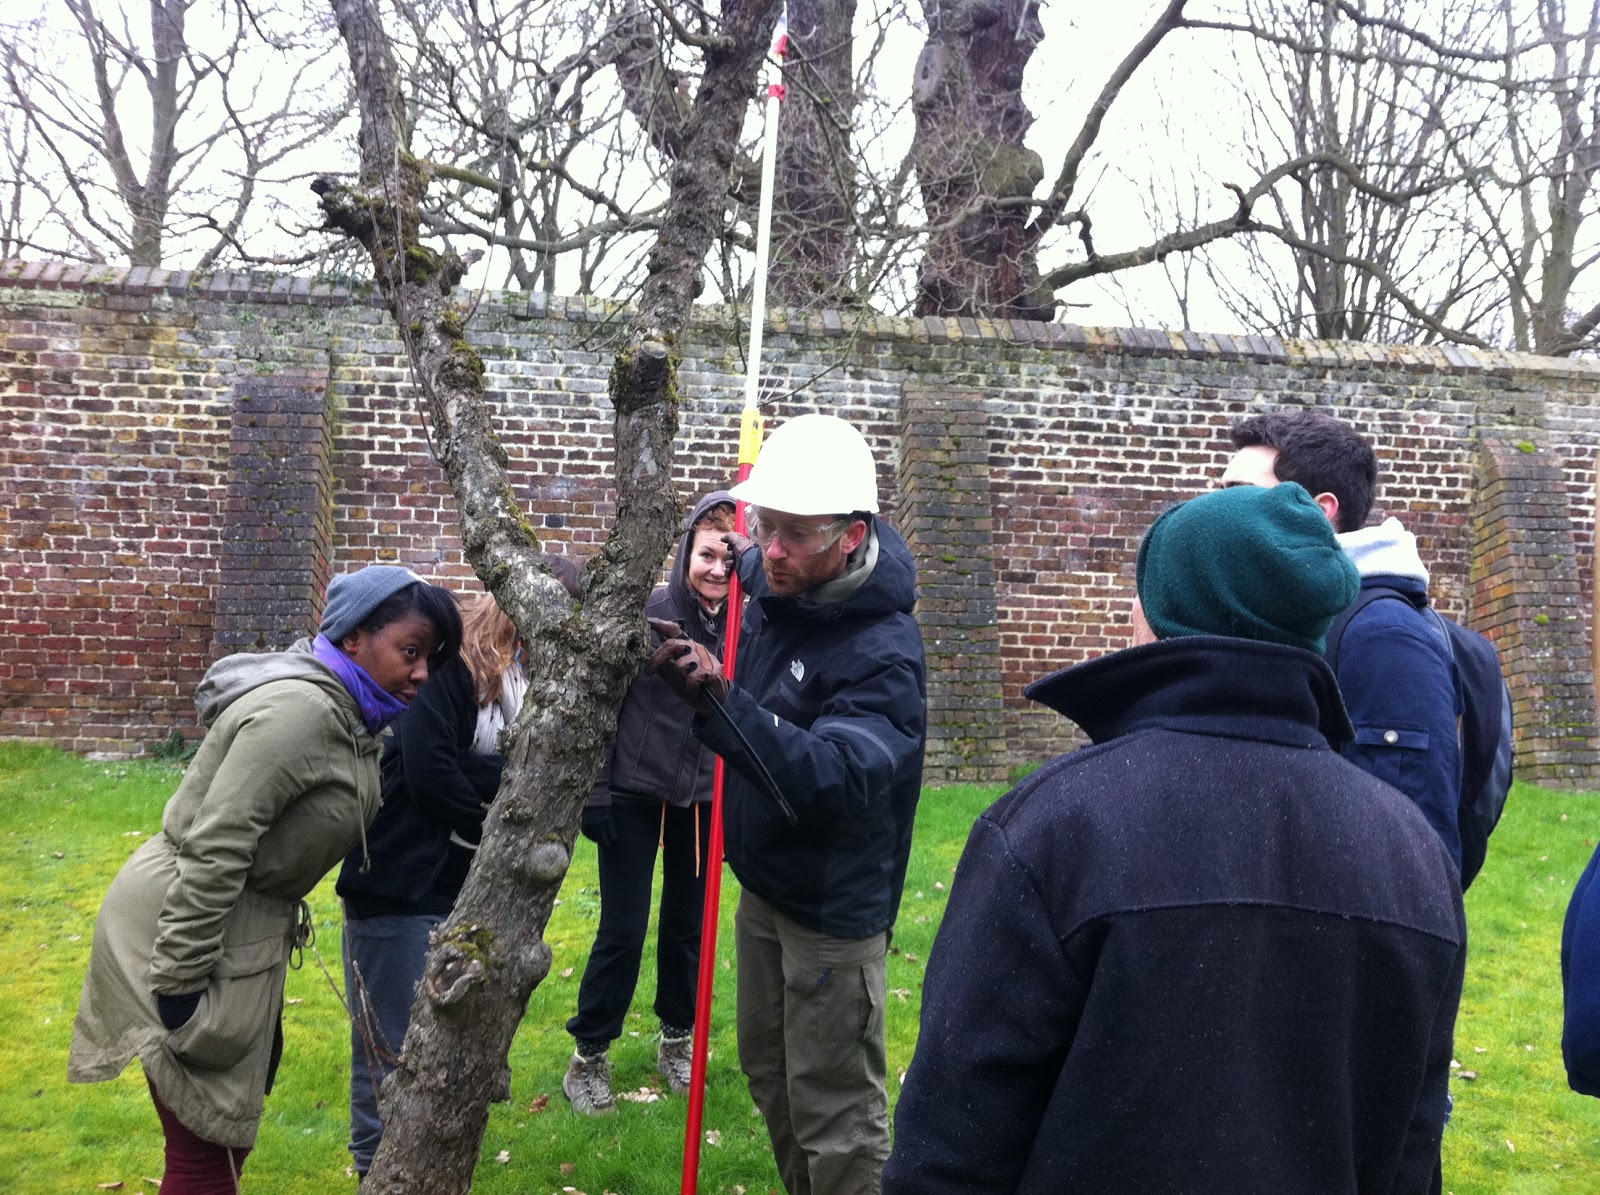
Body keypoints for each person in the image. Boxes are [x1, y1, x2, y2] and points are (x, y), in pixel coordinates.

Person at [883, 483, 1466, 1193]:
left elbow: (950, 1145)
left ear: (1157, 615)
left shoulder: (1055, 828)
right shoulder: (1416, 852)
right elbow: (1411, 1152)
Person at [68, 565, 462, 1195]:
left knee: (221, 1143)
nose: (421, 674)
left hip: (240, 930)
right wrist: (177, 984)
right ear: (354, 637)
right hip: (185, 928)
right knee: (205, 1155)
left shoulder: (350, 714)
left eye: (429, 660)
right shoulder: (300, 713)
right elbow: (215, 848)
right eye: (410, 652)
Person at [649, 413, 927, 1195]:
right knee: (770, 1076)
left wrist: (721, 702)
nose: (768, 551)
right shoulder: (778, 571)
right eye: (763, 527)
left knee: (835, 1117)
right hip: (765, 889)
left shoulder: (884, 653)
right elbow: (744, 561)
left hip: (831, 915)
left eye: (791, 534)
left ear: (851, 535)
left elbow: (839, 775)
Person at [1222, 411, 1464, 872]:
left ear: (1320, 510)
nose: (1213, 509)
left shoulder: (1384, 635)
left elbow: (1409, 853)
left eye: (1237, 495)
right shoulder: (1283, 615)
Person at [562, 492, 735, 1114]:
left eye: (730, 556)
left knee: (688, 927)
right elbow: (602, 707)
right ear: (686, 549)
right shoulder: (650, 611)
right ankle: (590, 1053)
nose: (718, 569)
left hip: (703, 800)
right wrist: (599, 792)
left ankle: (677, 1039)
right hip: (635, 794)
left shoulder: (748, 624)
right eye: (707, 553)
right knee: (624, 928)